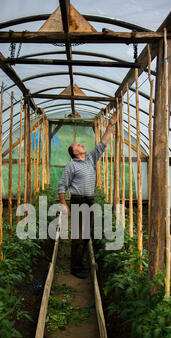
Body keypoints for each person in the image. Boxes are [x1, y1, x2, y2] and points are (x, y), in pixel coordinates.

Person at [58, 112, 117, 278]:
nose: (81, 145)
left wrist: (110, 125)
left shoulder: (90, 159)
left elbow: (102, 144)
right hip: (78, 201)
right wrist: (64, 203)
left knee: (86, 235)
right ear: (75, 152)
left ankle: (80, 263)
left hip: (90, 201)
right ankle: (74, 268)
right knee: (78, 236)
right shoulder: (71, 166)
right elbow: (62, 185)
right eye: (78, 145)